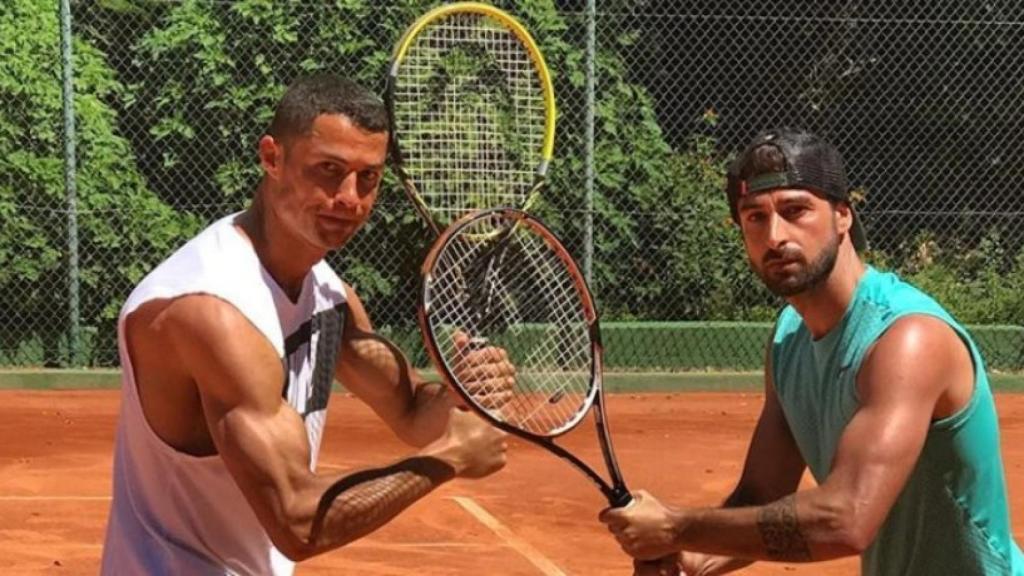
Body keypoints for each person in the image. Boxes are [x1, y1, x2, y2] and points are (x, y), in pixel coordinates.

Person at [100, 73, 511, 575]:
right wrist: (448, 458)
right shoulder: (211, 313)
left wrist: (459, 392)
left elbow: (409, 411)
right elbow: (298, 523)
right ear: (272, 158)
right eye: (329, 170)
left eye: (369, 178)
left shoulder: (326, 294)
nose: (350, 197)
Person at [600, 128, 1024, 575]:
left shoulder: (907, 339)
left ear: (843, 216)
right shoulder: (788, 340)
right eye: (754, 217)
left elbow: (846, 519)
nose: (775, 236)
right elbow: (762, 495)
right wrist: (688, 561)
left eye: (795, 210)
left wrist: (676, 528)